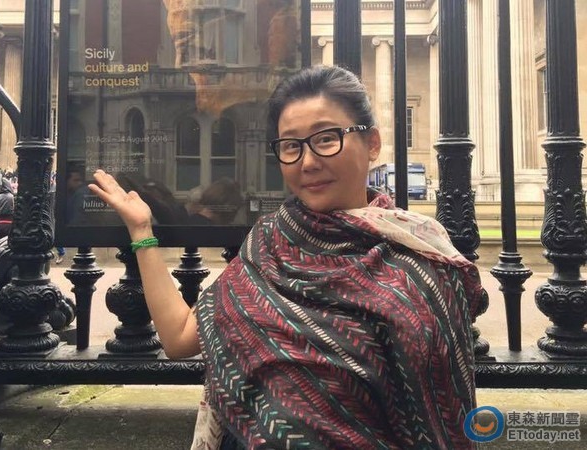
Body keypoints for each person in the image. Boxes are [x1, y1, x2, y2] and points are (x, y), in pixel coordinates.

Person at [88, 65, 484, 449]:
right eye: (291, 146)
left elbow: (444, 416)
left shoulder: (422, 259)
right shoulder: (269, 242)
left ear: (373, 144)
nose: (308, 162)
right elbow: (179, 337)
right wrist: (142, 231)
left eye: (326, 138)